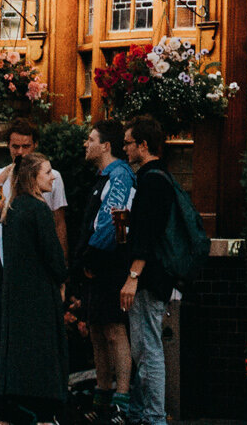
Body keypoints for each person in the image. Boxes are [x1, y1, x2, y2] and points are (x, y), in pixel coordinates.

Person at [0, 152, 69, 425]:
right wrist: (63, 278)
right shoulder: (38, 209)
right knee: (43, 359)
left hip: (16, 295)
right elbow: (53, 256)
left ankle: (9, 414)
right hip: (40, 297)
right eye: (47, 172)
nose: (52, 176)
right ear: (33, 178)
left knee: (18, 358)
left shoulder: (13, 208)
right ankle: (45, 415)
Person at [122, 116, 181, 425]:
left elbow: (147, 234)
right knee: (145, 346)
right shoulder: (160, 177)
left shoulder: (151, 180)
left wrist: (133, 277)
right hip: (155, 276)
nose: (125, 148)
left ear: (143, 146)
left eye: (129, 143)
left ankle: (153, 417)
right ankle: (141, 412)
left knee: (148, 348)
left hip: (148, 277)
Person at [78, 122, 136, 425]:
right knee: (97, 331)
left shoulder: (120, 176)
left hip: (110, 264)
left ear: (106, 146)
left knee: (114, 330)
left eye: (91, 140)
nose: (86, 145)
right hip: (96, 264)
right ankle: (102, 398)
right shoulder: (103, 177)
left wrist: (92, 254)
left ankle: (121, 404)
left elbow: (110, 220)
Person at [0, 118, 69, 252]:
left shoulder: (52, 177)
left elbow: (59, 222)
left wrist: (63, 260)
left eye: (26, 146)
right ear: (8, 145)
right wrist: (2, 178)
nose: (20, 152)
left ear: (35, 145)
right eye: (15, 146)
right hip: (2, 254)